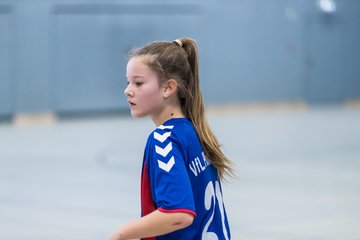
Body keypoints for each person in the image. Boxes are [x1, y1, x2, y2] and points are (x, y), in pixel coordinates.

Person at [107, 37, 233, 240]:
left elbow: (178, 214)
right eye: (128, 82)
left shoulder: (163, 140)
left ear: (168, 88)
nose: (128, 90)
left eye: (138, 83)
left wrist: (121, 234)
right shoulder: (195, 132)